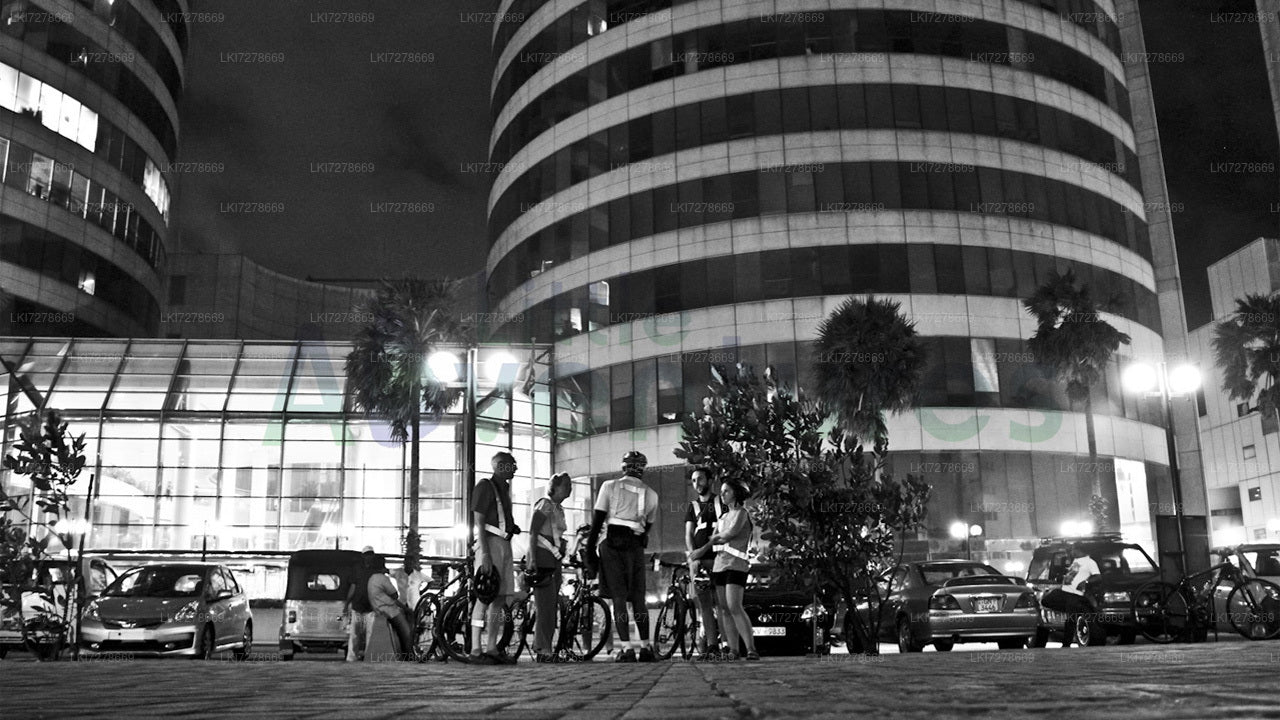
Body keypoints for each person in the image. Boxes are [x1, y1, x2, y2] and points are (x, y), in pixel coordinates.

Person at [585, 450, 659, 662]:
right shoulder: (652, 494)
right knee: (638, 599)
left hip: (612, 545)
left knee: (618, 597)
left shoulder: (609, 486)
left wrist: (590, 553)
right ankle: (645, 647)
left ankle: (626, 649)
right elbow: (646, 532)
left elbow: (597, 522)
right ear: (643, 469)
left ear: (623, 467)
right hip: (635, 547)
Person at [691, 479, 758, 661]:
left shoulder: (741, 514)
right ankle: (733, 650)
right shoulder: (722, 518)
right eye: (721, 491)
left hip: (736, 566)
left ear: (736, 493)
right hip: (719, 566)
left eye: (726, 491)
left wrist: (715, 539)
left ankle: (751, 649)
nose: (722, 495)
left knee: (734, 606)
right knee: (724, 609)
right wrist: (714, 540)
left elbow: (730, 534)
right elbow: (716, 539)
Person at [470, 451, 521, 665]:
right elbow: (479, 522)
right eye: (511, 465)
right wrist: (486, 554)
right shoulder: (485, 486)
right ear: (500, 466)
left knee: (499, 597)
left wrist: (512, 526)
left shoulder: (505, 489)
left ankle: (492, 647)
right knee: (485, 595)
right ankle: (475, 648)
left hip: (504, 544)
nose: (515, 469)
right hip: (490, 544)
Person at [527, 472, 572, 662]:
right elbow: (533, 530)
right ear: (555, 487)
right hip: (544, 557)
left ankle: (546, 647)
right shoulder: (545, 504)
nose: (569, 488)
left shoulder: (558, 508)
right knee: (545, 606)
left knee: (551, 606)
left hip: (554, 559)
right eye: (566, 485)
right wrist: (532, 559)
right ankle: (542, 649)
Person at [684, 466, 723, 655]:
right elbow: (688, 534)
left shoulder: (721, 502)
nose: (696, 484)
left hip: (720, 560)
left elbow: (723, 530)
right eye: (693, 480)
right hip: (700, 563)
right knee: (705, 606)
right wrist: (693, 557)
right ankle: (712, 646)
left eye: (700, 479)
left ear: (709, 480)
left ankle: (728, 645)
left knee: (723, 604)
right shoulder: (693, 506)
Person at [1039, 545, 1100, 647]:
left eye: (1073, 550)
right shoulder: (1075, 560)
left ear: (1079, 550)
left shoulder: (1090, 562)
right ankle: (1074, 610)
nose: (1072, 552)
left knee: (1070, 619)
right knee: (1046, 600)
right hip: (1064, 591)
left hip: (1075, 594)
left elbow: (1098, 577)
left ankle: (1066, 644)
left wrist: (1086, 582)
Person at [367, 554, 414, 660]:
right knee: (406, 632)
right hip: (390, 611)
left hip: (379, 609)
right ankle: (410, 655)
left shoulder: (371, 579)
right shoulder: (382, 579)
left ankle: (404, 655)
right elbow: (394, 595)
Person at [342, 547, 378, 662]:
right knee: (354, 634)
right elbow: (353, 587)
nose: (369, 557)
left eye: (371, 555)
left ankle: (368, 656)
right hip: (357, 606)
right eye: (367, 555)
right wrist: (346, 604)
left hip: (370, 607)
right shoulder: (357, 569)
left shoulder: (375, 570)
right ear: (363, 556)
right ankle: (352, 657)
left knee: (370, 634)